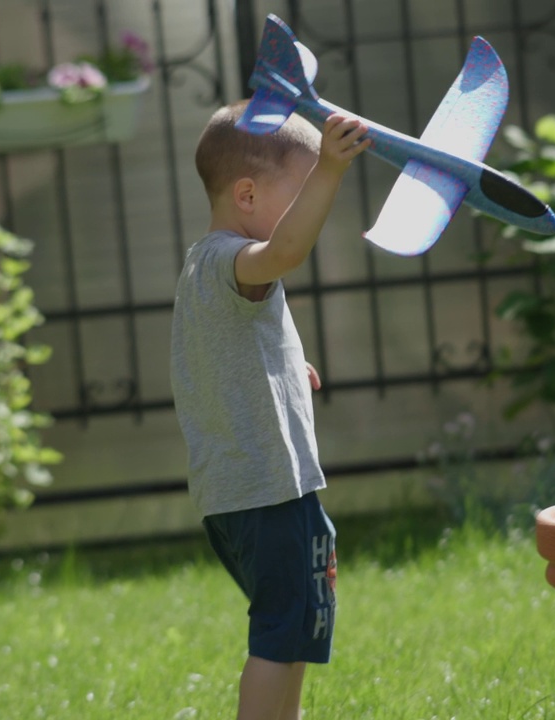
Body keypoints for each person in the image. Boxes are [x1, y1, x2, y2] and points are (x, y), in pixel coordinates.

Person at [169, 100, 370, 720]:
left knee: (292, 632)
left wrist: (287, 371)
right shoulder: (233, 259)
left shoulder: (204, 271)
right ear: (248, 195)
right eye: (302, 188)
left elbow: (223, 360)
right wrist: (331, 170)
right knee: (281, 636)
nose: (314, 205)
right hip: (268, 492)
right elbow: (283, 253)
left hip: (239, 495)